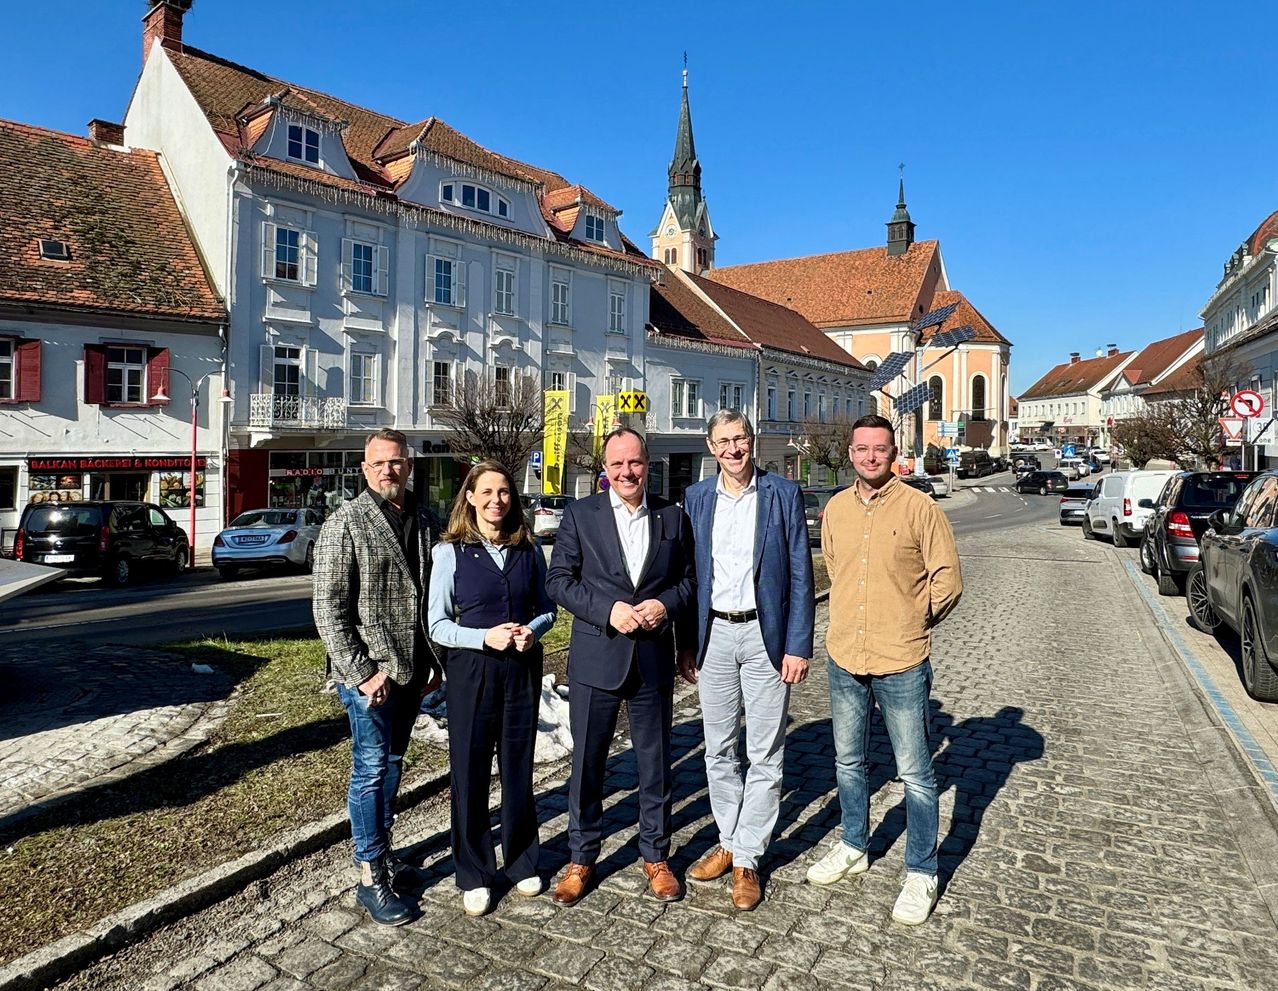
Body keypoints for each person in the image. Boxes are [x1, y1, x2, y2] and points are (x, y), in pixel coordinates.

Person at [806, 414, 962, 926]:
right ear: (850, 453)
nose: (870, 456)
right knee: (848, 764)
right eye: (861, 448)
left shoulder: (920, 508)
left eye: (880, 448)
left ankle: (921, 870)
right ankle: (855, 844)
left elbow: (948, 581)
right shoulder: (835, 509)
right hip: (846, 655)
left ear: (893, 452)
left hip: (902, 659)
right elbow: (835, 566)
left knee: (916, 773)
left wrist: (912, 621)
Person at [546, 427, 695, 906]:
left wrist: (665, 605)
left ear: (647, 465)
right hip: (597, 656)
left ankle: (655, 854)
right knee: (588, 764)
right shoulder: (580, 515)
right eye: (617, 465)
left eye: (635, 463)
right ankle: (582, 858)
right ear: (604, 471)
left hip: (652, 658)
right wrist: (606, 610)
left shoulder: (673, 516)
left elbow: (690, 583)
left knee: (655, 763)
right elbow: (559, 581)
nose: (626, 472)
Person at [678, 410, 814, 910]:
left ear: (752, 442)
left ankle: (747, 858)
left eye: (741, 439)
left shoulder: (781, 493)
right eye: (724, 442)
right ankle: (730, 840)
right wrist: (685, 644)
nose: (734, 449)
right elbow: (690, 576)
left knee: (765, 751)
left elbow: (801, 572)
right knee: (717, 748)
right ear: (711, 448)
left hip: (765, 635)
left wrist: (798, 643)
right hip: (714, 634)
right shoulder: (696, 498)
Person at [313, 428, 442, 927]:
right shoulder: (345, 523)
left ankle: (385, 854)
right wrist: (362, 672)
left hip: (412, 672)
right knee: (369, 769)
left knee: (391, 764)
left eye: (397, 462)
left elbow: (428, 595)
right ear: (364, 470)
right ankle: (369, 875)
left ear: (409, 466)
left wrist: (432, 663)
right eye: (379, 464)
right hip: (369, 675)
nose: (389, 470)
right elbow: (327, 609)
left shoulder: (425, 519)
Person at [428, 461, 556, 917]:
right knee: (471, 770)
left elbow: (548, 608)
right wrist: (483, 637)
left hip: (520, 669)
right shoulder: (451, 552)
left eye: (504, 492)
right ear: (470, 497)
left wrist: (534, 630)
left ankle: (522, 861)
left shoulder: (529, 548)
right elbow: (438, 624)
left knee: (519, 768)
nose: (496, 500)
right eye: (486, 492)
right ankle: (475, 871)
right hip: (472, 672)